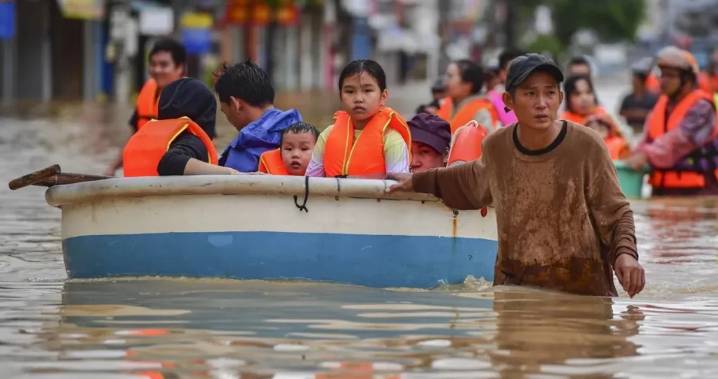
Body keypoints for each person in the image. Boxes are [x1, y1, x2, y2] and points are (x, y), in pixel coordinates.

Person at [389, 53, 645, 297]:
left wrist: (626, 255)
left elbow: (616, 211)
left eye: (549, 93)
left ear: (560, 98)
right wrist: (417, 181)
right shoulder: (497, 146)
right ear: (509, 101)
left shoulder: (587, 145)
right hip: (517, 290)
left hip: (583, 291)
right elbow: (469, 181)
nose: (541, 103)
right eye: (530, 93)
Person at [625, 46, 718, 196]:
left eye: (670, 76)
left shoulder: (702, 107)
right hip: (663, 191)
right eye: (662, 75)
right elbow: (646, 140)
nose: (663, 81)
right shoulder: (660, 106)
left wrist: (645, 155)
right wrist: (633, 156)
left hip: (700, 192)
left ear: (687, 79)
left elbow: (679, 141)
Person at [306, 59, 411, 178]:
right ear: (340, 96)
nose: (358, 98)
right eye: (350, 91)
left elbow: (398, 187)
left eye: (367, 90)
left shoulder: (392, 140)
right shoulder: (327, 136)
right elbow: (310, 182)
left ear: (383, 96)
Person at [105, 38, 187, 176]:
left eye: (163, 64)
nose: (157, 70)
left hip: (171, 177)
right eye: (153, 64)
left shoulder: (192, 98)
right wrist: (112, 168)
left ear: (179, 68)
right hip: (142, 175)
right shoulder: (147, 92)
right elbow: (133, 139)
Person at [214, 61, 303, 173]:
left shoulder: (244, 151)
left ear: (236, 104)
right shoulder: (305, 135)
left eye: (224, 111)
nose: (228, 117)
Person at [561, 75, 629, 159]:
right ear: (568, 98)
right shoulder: (562, 123)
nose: (584, 98)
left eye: (588, 92)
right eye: (577, 94)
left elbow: (625, 141)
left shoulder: (604, 116)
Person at [436, 59, 499, 134]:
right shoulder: (446, 103)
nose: (445, 81)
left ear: (467, 85)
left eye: (450, 76)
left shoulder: (482, 112)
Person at [619, 58, 659, 133]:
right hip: (630, 130)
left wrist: (641, 113)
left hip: (648, 130)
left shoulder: (653, 98)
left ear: (642, 82)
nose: (633, 83)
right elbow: (620, 112)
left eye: (635, 81)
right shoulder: (627, 98)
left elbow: (657, 113)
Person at [487, 50, 523, 127]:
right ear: (502, 73)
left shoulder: (534, 97)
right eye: (514, 71)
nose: (520, 75)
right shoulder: (491, 99)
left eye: (522, 70)